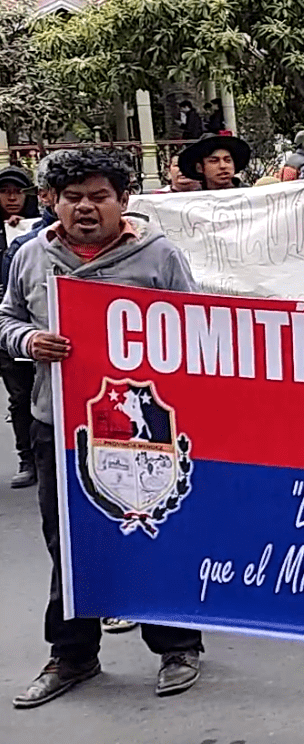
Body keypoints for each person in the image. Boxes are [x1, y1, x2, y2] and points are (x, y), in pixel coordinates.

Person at [2, 149, 206, 709]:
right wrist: (27, 342)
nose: (85, 208)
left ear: (124, 201)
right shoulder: (29, 256)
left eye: (99, 197)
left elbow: (199, 328)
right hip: (60, 424)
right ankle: (72, 655)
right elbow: (6, 317)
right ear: (52, 202)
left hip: (144, 429)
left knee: (152, 532)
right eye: (72, 198)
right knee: (66, 540)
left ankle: (177, 646)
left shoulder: (158, 257)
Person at [1, 168, 52, 489]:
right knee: (20, 396)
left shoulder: (34, 236)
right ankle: (27, 458)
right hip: (12, 325)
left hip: (44, 324)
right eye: (4, 191)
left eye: (17, 191)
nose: (11, 198)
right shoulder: (22, 245)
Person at [179, 132, 251, 190]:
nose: (223, 166)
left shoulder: (250, 195)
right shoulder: (193, 201)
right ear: (199, 168)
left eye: (228, 160)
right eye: (214, 161)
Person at [1, 165, 39, 245]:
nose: (12, 197)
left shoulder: (43, 226)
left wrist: (25, 226)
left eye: (19, 191)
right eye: (4, 191)